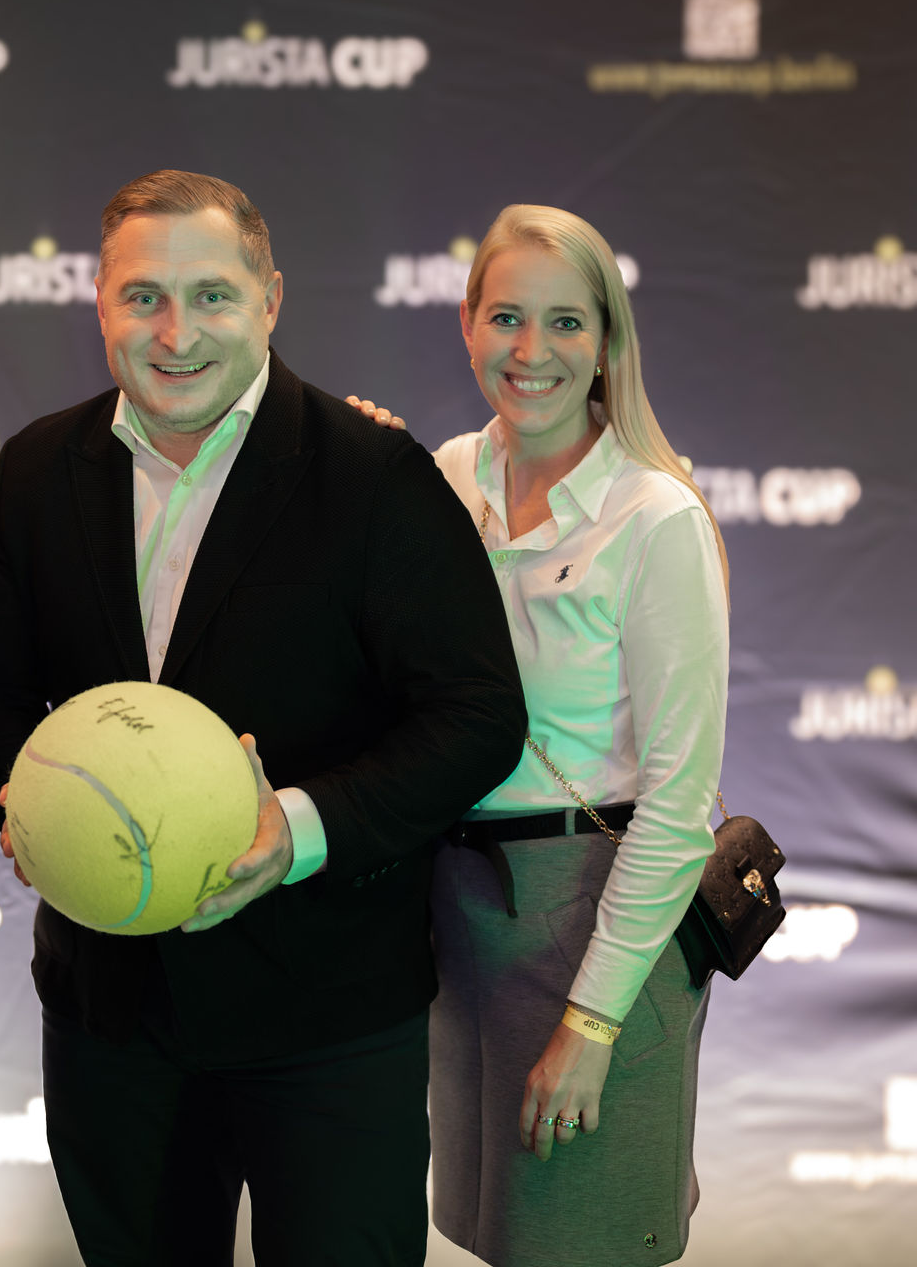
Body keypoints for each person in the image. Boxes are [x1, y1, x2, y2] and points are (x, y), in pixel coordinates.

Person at [0, 169, 527, 1266]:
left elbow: (475, 715)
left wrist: (298, 828)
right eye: (144, 297)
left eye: (212, 295)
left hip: (332, 1016)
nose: (177, 334)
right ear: (101, 303)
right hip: (110, 1012)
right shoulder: (32, 473)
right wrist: (25, 798)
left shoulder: (375, 476)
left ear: (269, 300)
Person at [358, 203, 729, 1265]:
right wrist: (354, 462)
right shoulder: (442, 477)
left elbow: (679, 803)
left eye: (566, 322)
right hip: (460, 913)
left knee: (581, 1241)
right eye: (507, 317)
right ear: (467, 324)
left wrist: (593, 1022)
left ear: (608, 340)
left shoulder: (654, 516)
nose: (533, 351)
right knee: (498, 1235)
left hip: (595, 921)